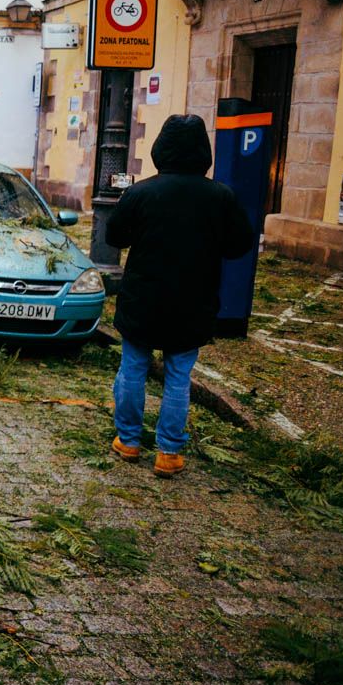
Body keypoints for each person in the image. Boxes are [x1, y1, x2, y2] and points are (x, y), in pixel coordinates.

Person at [104, 115, 255, 477]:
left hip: (143, 300)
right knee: (177, 378)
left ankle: (128, 440)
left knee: (133, 369)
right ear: (203, 152)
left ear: (161, 149)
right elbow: (240, 245)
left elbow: (114, 237)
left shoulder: (141, 192)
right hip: (193, 301)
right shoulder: (220, 196)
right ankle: (169, 453)